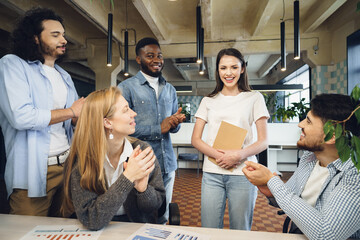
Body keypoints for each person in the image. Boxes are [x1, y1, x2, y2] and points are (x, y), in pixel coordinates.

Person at [0, 8, 84, 216]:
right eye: (55, 35)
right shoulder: (12, 64)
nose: (63, 39)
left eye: (63, 34)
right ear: (35, 38)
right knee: (26, 233)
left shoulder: (63, 75)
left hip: (67, 166)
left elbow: (70, 122)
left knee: (62, 231)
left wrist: (80, 117)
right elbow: (21, 117)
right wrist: (72, 111)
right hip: (32, 172)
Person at [243, 93, 360, 240]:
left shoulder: (355, 174)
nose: (300, 124)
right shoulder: (309, 157)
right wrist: (269, 191)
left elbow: (325, 235)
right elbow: (290, 196)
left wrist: (273, 181)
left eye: (309, 122)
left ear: (331, 136)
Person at [62, 87, 165, 230]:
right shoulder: (81, 159)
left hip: (135, 229)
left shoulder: (142, 150)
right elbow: (91, 219)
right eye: (126, 110)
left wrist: (143, 190)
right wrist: (128, 178)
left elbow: (155, 208)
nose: (134, 113)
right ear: (107, 123)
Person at [191, 48, 269, 230]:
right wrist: (222, 157)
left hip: (243, 173)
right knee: (209, 229)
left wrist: (238, 155)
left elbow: (263, 141)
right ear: (217, 71)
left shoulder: (254, 98)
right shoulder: (208, 100)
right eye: (223, 68)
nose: (228, 73)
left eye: (234, 67)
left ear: (242, 69)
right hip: (212, 174)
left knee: (240, 229)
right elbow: (195, 139)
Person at [118, 37, 185, 224]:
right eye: (150, 56)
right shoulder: (126, 88)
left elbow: (172, 128)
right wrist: (159, 128)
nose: (157, 60)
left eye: (159, 55)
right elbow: (122, 128)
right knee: (141, 214)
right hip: (141, 163)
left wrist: (175, 123)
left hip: (168, 163)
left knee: (163, 215)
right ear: (138, 59)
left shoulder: (170, 89)